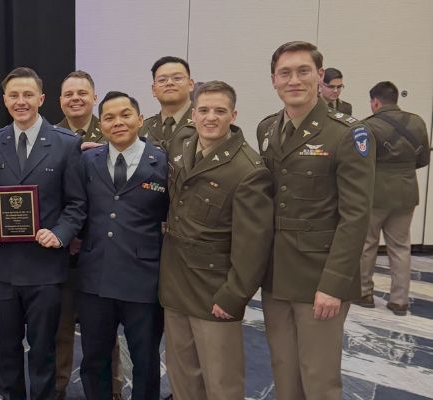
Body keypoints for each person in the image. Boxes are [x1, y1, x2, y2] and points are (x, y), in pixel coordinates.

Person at [256, 41, 375, 400]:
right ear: (274, 80)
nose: (294, 80)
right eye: (285, 73)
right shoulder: (267, 129)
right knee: (284, 372)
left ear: (319, 76)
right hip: (276, 276)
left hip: (320, 277)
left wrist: (334, 284)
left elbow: (356, 216)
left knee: (319, 379)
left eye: (303, 71)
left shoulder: (347, 133)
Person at [161, 81, 273, 399]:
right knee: (182, 375)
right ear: (193, 114)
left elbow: (253, 245)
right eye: (204, 110)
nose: (211, 118)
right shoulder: (183, 142)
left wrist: (234, 295)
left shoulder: (248, 170)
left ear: (233, 115)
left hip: (214, 290)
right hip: (175, 282)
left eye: (220, 111)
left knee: (221, 381)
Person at [0, 67, 85, 399]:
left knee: (44, 350)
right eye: (14, 95)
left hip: (45, 266)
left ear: (40, 98)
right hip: (1, 266)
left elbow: (76, 203)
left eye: (27, 95)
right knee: (6, 350)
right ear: (4, 100)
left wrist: (60, 233)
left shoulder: (67, 144)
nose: (20, 101)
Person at [77, 91, 167, 400]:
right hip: (95, 277)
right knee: (93, 358)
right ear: (100, 124)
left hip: (142, 278)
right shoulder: (87, 160)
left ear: (140, 119)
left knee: (145, 360)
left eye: (125, 115)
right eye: (109, 117)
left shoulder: (162, 162)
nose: (118, 122)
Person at [53, 70, 125, 400]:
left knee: (103, 332)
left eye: (83, 93)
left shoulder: (115, 132)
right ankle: (57, 388)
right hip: (62, 251)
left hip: (102, 249)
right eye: (69, 94)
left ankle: (110, 391)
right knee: (59, 328)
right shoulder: (49, 136)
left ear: (94, 97)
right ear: (60, 101)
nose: (76, 99)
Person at [358, 81, 430, 315]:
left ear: (375, 102)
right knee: (400, 247)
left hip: (375, 194)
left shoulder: (368, 126)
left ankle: (364, 293)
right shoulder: (417, 122)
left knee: (367, 245)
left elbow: (360, 163)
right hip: (406, 193)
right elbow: (423, 160)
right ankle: (399, 301)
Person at [138, 56, 195, 147]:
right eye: (162, 80)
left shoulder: (205, 122)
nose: (169, 83)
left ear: (191, 85)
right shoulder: (142, 128)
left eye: (177, 78)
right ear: (154, 90)